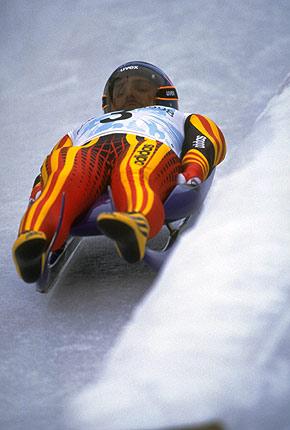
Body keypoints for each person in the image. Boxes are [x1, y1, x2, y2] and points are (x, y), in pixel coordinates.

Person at [12, 61, 226, 283]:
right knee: (65, 173)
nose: (129, 95)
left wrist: (193, 169)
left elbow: (206, 138)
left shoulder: (180, 118)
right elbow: (52, 161)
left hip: (146, 144)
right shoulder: (83, 127)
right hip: (89, 150)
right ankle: (35, 239)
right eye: (121, 92)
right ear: (110, 101)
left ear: (163, 95)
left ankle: (135, 221)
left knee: (135, 171)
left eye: (141, 89)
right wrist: (38, 190)